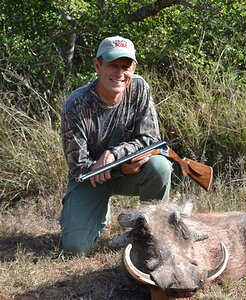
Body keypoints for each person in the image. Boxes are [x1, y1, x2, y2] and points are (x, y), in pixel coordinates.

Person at [60, 36, 173, 255]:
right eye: (112, 65)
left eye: (125, 66)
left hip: (132, 171)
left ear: (134, 68)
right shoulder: (75, 104)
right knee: (76, 248)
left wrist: (114, 154)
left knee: (160, 166)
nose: (119, 73)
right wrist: (118, 167)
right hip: (90, 179)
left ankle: (155, 232)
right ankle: (99, 212)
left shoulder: (139, 88)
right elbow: (78, 166)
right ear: (97, 65)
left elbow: (150, 139)